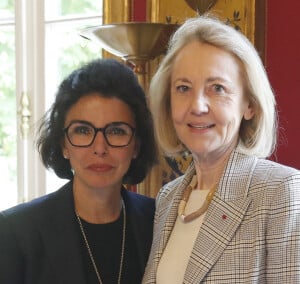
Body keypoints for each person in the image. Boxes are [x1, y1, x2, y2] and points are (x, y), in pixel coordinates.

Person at [142, 14, 300, 283]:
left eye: (217, 88)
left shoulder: (281, 191)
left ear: (249, 105)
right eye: (183, 88)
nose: (198, 106)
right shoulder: (168, 199)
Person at [0, 58, 158, 284]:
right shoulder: (15, 232)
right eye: (83, 130)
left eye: (116, 131)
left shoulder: (159, 222)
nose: (100, 148)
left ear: (136, 146)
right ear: (63, 144)